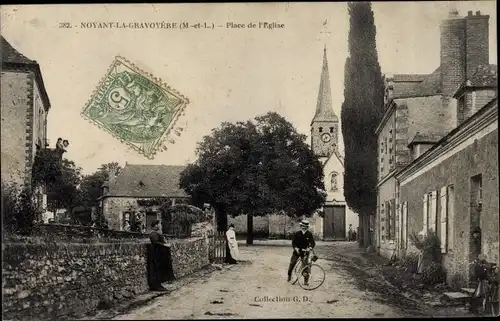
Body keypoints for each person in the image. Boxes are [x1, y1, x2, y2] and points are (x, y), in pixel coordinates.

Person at [287, 220, 315, 285]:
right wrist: (295, 248)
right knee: (292, 263)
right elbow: (293, 243)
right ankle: (289, 275)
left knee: (306, 266)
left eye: (305, 226)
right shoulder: (297, 233)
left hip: (305, 252)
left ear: (307, 227)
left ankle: (306, 281)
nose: (304, 227)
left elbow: (313, 243)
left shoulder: (309, 234)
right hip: (297, 252)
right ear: (301, 226)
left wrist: (310, 248)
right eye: (303, 226)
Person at [148, 220, 170, 291]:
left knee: (158, 269)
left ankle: (158, 285)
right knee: (155, 269)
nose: (160, 226)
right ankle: (156, 286)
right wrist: (165, 244)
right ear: (155, 225)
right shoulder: (153, 233)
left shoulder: (156, 233)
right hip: (155, 254)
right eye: (159, 224)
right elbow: (155, 242)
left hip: (158, 253)